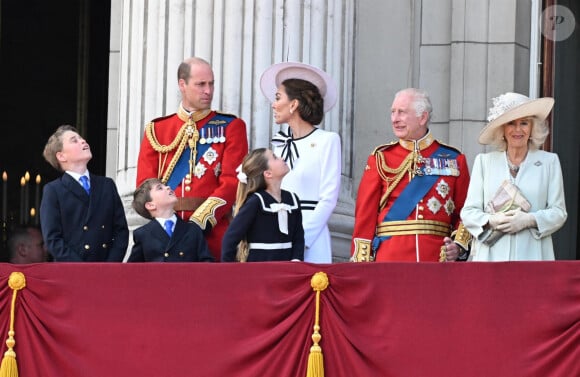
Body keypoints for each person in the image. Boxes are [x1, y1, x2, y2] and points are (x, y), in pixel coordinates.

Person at [136, 57, 248, 261]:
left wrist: (199, 222)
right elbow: (144, 186)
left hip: (212, 233)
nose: (208, 90)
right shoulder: (157, 130)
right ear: (182, 84)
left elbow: (232, 182)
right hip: (166, 235)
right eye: (201, 84)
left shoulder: (231, 126)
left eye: (211, 84)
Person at [351, 88, 472, 262]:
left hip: (437, 258)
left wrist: (458, 246)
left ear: (422, 117)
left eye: (402, 112)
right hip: (389, 257)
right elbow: (365, 215)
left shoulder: (454, 158)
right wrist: (361, 262)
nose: (395, 119)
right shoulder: (381, 158)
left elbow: (465, 212)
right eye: (393, 112)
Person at [460, 92, 567, 261]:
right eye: (511, 123)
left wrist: (529, 220)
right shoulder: (484, 162)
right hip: (491, 257)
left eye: (524, 123)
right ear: (502, 129)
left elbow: (559, 212)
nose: (518, 130)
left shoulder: (549, 162)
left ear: (532, 128)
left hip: (533, 256)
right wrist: (492, 220)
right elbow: (468, 213)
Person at [260, 62, 341, 263]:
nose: (273, 104)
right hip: (278, 233)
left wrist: (302, 238)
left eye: (278, 98)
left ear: (294, 104)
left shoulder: (327, 140)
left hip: (311, 238)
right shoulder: (278, 147)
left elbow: (329, 198)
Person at [40, 125, 129, 262]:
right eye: (74, 140)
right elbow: (53, 239)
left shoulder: (106, 185)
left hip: (106, 269)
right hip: (72, 272)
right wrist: (81, 268)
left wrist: (110, 265)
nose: (83, 141)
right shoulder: (53, 190)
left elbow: (121, 231)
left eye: (81, 138)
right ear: (61, 156)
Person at [221, 148, 304, 262]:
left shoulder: (292, 199)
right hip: (260, 272)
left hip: (287, 271)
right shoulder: (255, 202)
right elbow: (229, 239)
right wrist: (231, 272)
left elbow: (298, 238)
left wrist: (296, 261)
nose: (282, 158)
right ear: (268, 173)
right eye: (275, 157)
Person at [128, 178, 214, 262]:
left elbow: (206, 264)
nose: (168, 187)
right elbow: (133, 270)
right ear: (150, 205)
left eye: (165, 185)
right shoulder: (143, 234)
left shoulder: (193, 230)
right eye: (160, 188)